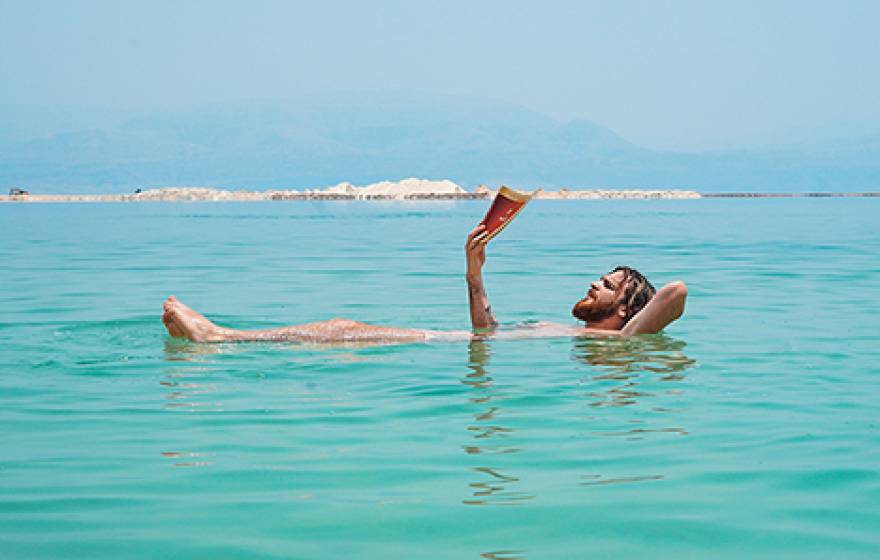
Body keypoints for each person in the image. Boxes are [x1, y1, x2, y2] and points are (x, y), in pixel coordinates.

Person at [161, 224, 687, 344]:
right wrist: (474, 269)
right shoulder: (591, 341)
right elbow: (488, 332)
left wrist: (631, 327)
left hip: (441, 347)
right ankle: (222, 337)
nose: (594, 282)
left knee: (343, 330)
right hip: (464, 344)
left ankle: (220, 338)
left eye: (609, 284)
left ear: (625, 308)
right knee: (343, 331)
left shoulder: (619, 342)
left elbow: (676, 292)